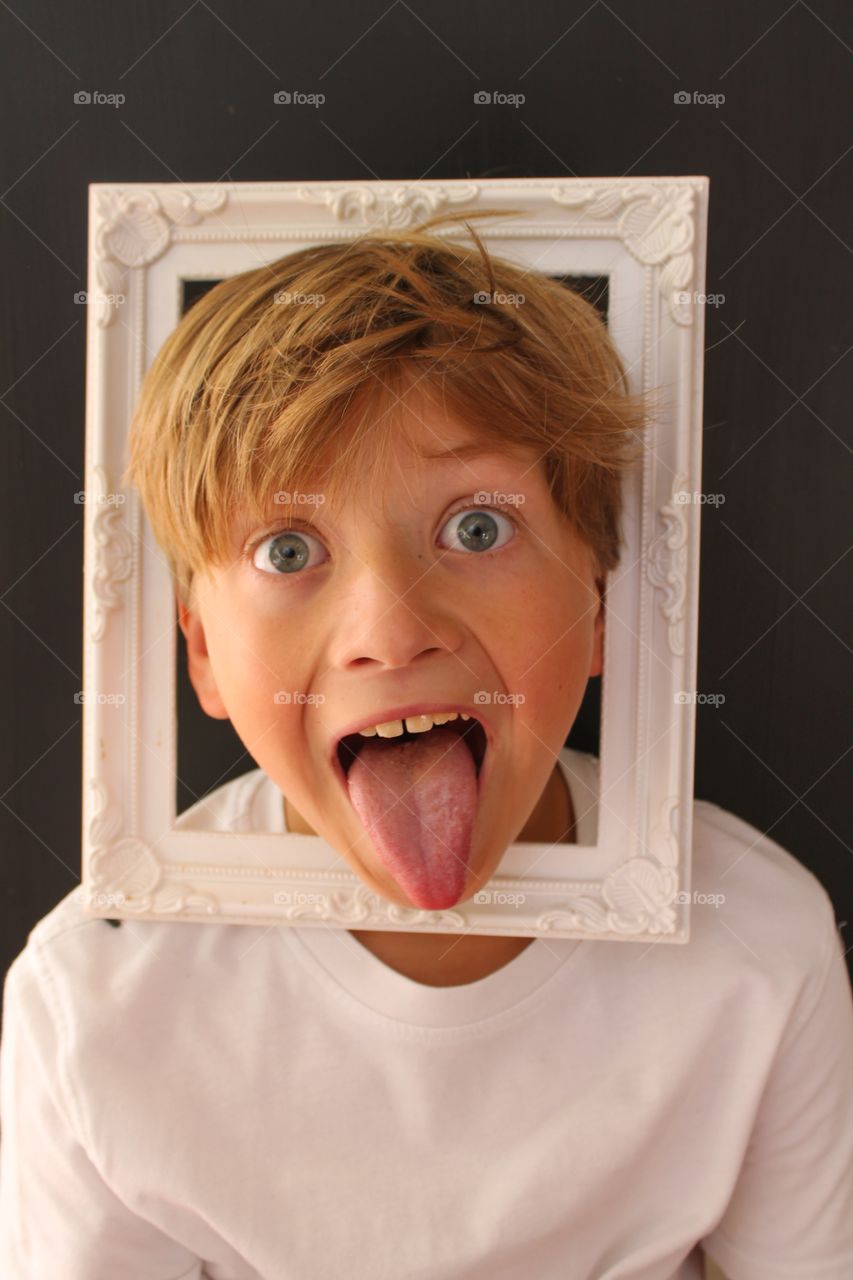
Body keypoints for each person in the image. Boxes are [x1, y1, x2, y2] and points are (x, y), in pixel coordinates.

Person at [1, 210, 851, 1279]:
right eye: (288, 548)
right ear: (203, 651)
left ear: (599, 604)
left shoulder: (756, 946)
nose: (392, 630)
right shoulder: (94, 1003)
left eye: (476, 529)